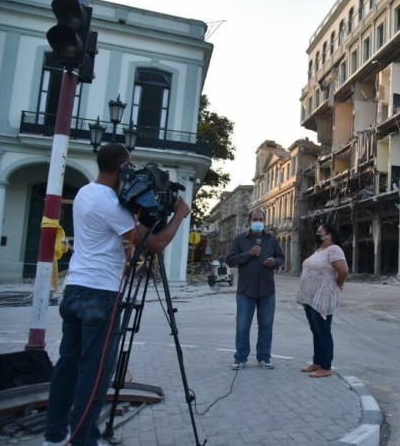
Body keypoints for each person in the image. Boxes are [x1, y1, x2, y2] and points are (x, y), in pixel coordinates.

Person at [44, 143, 190, 446]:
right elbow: (155, 243)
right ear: (123, 167)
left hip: (75, 289)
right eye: (130, 167)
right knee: (93, 375)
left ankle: (54, 436)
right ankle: (83, 440)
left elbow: (125, 233)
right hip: (101, 294)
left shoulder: (86, 192)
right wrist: (178, 216)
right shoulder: (109, 203)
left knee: (67, 366)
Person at [226, 209, 284, 370]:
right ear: (249, 221)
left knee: (266, 325)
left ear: (264, 221)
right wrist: (248, 254)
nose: (258, 221)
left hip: (267, 290)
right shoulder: (240, 240)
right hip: (246, 291)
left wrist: (275, 262)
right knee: (243, 326)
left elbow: (281, 257)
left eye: (261, 219)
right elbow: (230, 260)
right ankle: (240, 358)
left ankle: (264, 357)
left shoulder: (271, 239)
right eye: (255, 219)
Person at [296, 223, 348, 378]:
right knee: (316, 331)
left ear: (329, 235)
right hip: (310, 297)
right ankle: (317, 362)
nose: (317, 235)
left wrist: (339, 283)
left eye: (320, 232)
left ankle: (326, 367)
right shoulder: (320, 250)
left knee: (323, 332)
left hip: (322, 297)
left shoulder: (334, 249)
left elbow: (343, 270)